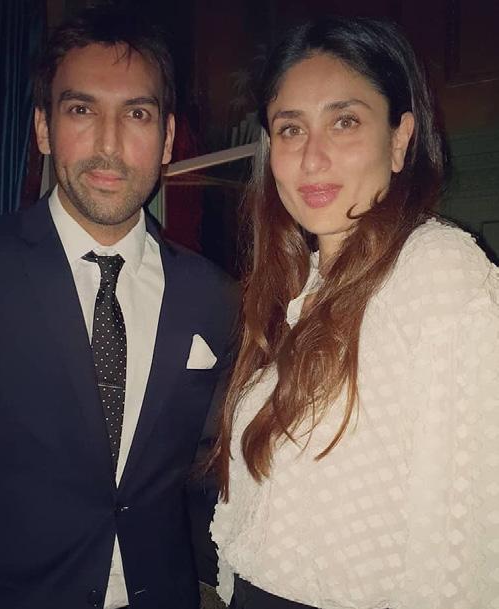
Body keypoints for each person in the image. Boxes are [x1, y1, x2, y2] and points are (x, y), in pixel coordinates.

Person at [0, 7, 237, 609]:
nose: (109, 143)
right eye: (81, 110)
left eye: (137, 113)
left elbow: (213, 474)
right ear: (43, 128)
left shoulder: (215, 296)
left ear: (167, 138)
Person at [210, 16, 499, 609]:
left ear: (400, 140)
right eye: (291, 129)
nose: (312, 159)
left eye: (344, 122)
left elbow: (468, 542)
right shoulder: (296, 289)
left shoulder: (439, 272)